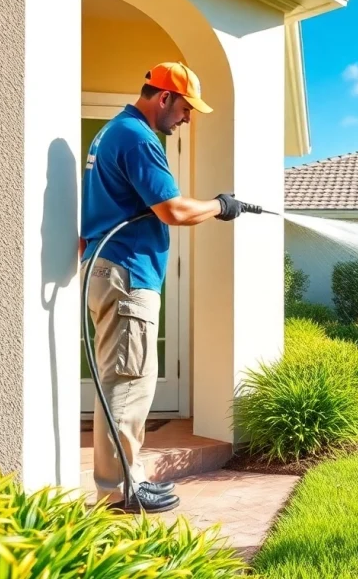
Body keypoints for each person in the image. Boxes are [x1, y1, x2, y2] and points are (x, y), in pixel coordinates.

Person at [79, 62, 244, 513]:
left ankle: (125, 481)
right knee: (129, 383)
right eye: (186, 108)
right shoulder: (137, 138)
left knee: (124, 381)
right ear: (165, 97)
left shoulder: (112, 132)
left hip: (108, 268)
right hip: (127, 273)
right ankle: (119, 492)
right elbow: (173, 210)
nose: (188, 118)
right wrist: (220, 205)